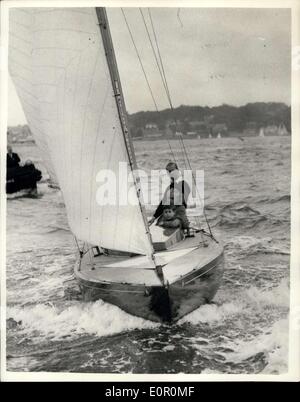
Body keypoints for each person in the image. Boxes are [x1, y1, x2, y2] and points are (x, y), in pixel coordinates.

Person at [149, 161, 190, 229]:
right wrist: (154, 217)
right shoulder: (169, 187)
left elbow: (181, 200)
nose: (171, 173)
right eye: (169, 171)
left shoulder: (184, 184)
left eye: (172, 171)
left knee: (174, 223)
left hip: (178, 214)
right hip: (169, 214)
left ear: (177, 171)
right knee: (158, 225)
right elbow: (163, 203)